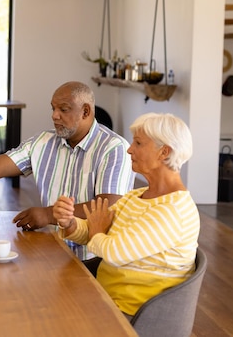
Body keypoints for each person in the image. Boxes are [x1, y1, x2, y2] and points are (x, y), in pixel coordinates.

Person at [0, 81, 134, 255]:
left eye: (63, 109)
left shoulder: (113, 148)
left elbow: (109, 208)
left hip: (93, 256)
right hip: (53, 247)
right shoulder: (44, 141)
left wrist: (48, 214)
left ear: (86, 112)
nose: (54, 116)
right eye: (53, 108)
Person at [52, 113, 200, 318]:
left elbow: (114, 253)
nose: (129, 149)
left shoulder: (173, 211)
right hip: (103, 298)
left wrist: (97, 231)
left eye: (138, 143)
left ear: (163, 152)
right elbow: (94, 231)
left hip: (133, 314)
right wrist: (69, 222)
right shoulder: (136, 196)